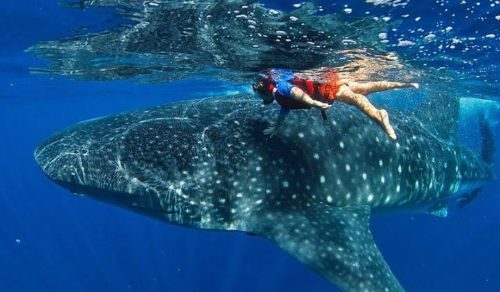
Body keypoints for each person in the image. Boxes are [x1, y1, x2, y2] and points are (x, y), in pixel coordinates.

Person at [252, 68, 419, 140]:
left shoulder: (280, 88)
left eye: (261, 98)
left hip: (326, 90)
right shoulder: (280, 90)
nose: (263, 101)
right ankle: (405, 84)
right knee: (367, 87)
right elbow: (285, 111)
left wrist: (314, 103)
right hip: (331, 80)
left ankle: (379, 116)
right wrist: (277, 127)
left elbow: (296, 92)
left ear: (264, 91)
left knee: (356, 100)